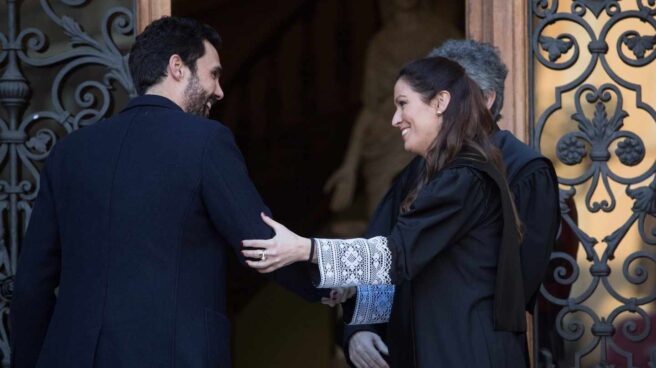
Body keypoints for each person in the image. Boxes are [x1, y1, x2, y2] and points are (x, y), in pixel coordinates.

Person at [10, 17, 323, 368]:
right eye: (213, 74)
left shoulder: (70, 152)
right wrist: (341, 286)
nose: (220, 91)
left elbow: (30, 287)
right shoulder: (206, 141)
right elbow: (259, 243)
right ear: (177, 67)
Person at [243, 56, 530, 367]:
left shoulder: (463, 178)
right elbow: (401, 260)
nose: (395, 119)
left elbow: (395, 255)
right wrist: (358, 312)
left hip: (467, 351)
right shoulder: (445, 174)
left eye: (403, 104)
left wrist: (303, 248)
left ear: (440, 102)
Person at [342, 40, 561, 368]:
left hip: (470, 346)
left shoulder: (525, 170)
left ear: (485, 99)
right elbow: (383, 247)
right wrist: (364, 326)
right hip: (409, 349)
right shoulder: (416, 170)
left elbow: (519, 283)